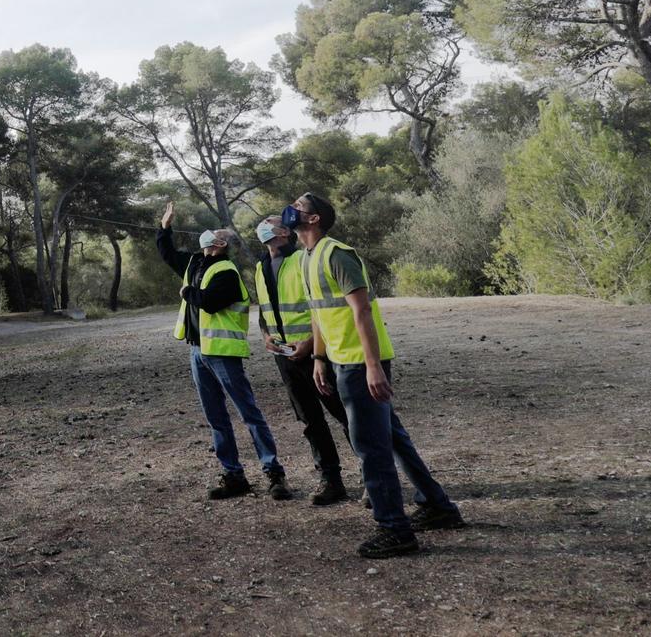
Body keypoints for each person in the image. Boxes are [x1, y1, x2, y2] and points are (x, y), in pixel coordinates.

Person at [288, 192, 465, 557]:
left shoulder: (336, 254)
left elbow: (362, 311)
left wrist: (372, 367)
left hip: (361, 365)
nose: (290, 211)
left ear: (314, 218)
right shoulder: (306, 259)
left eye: (298, 207)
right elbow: (320, 314)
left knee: (372, 447)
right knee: (393, 437)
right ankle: (438, 506)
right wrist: (319, 357)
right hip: (341, 362)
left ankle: (395, 529)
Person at [156, 203, 290, 501]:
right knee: (215, 416)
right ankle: (233, 474)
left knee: (248, 413)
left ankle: (273, 473)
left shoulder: (227, 271)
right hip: (197, 352)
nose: (206, 237)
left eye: (214, 235)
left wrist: (185, 292)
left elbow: (208, 301)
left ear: (222, 244)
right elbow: (167, 254)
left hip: (222, 354)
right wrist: (164, 227)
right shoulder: (194, 263)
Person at [251, 214, 350, 507]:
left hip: (315, 354)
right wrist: (265, 335)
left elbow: (318, 307)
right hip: (284, 359)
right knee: (309, 421)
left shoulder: (302, 260)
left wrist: (310, 344)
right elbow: (264, 310)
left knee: (344, 415)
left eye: (271, 222)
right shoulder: (259, 267)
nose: (265, 225)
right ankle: (331, 480)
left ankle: (374, 477)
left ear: (285, 232)